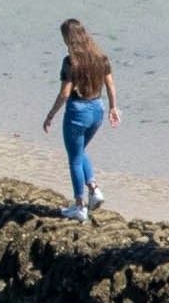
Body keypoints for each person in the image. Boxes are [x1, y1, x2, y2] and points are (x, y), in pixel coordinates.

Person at [45, 18, 117, 216]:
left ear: (70, 38)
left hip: (78, 111)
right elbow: (110, 85)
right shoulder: (100, 57)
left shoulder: (70, 62)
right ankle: (94, 189)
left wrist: (51, 114)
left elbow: (65, 93)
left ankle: (80, 205)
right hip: (98, 110)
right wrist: (113, 108)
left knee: (74, 158)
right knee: (80, 150)